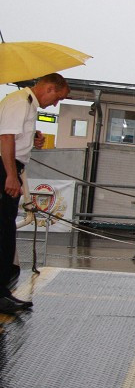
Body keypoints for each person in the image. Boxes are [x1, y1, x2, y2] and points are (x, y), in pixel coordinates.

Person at [0, 73, 69, 313]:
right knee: (3, 230)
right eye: (57, 98)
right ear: (49, 88)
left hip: (9, 166)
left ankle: (3, 290)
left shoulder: (26, 103)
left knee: (6, 229)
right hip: (4, 167)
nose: (55, 103)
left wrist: (33, 138)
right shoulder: (20, 101)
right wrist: (10, 175)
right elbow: (6, 137)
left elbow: (14, 135)